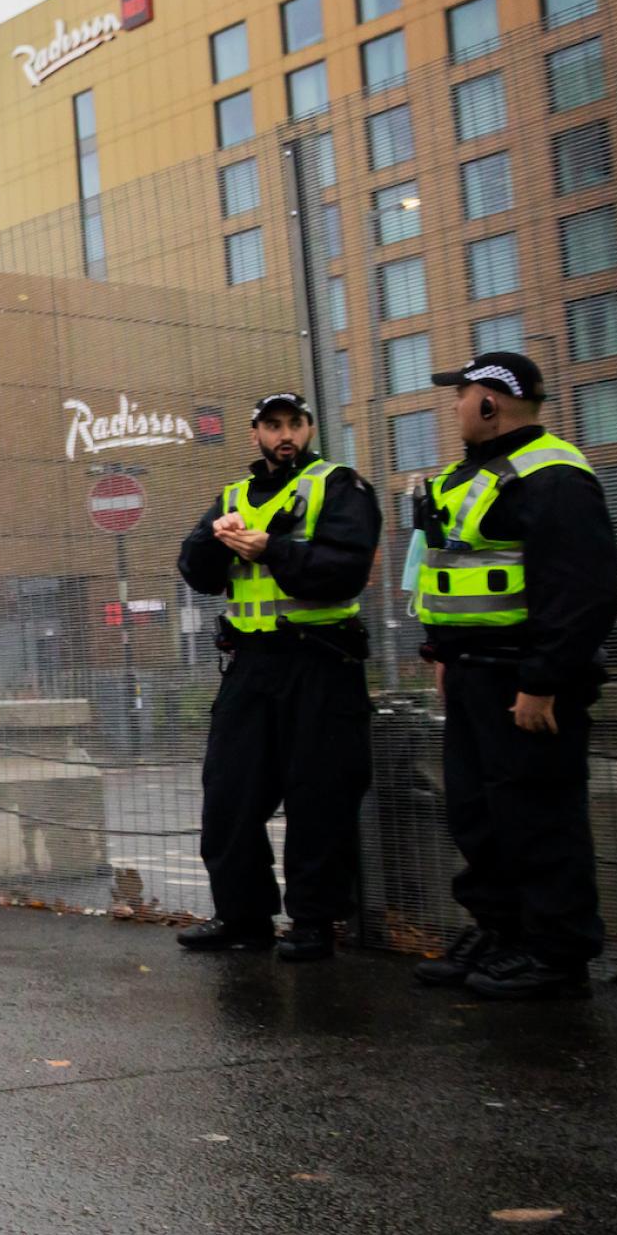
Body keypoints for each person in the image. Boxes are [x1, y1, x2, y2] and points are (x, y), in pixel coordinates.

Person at [408, 352, 617, 1001]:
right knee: (479, 814)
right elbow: (451, 576)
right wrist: (444, 656)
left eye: (462, 393)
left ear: (490, 403)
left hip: (523, 682)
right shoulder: (466, 477)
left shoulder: (554, 475)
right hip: (474, 676)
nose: (454, 406)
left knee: (538, 814)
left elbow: (584, 591)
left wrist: (542, 680)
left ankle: (555, 951)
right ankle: (502, 934)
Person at [169, 392, 381, 961]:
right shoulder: (233, 497)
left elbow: (345, 572)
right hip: (251, 668)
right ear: (255, 434)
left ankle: (314, 923)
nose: (284, 434)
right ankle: (242, 917)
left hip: (320, 662)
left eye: (294, 424)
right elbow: (194, 570)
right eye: (272, 425)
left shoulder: (341, 487)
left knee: (319, 797)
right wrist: (220, 541)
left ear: (310, 428)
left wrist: (271, 550)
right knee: (229, 794)